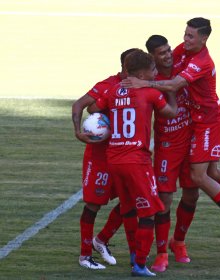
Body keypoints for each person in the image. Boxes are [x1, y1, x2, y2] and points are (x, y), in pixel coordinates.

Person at [122, 17, 220, 244]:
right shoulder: (182, 52)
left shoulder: (201, 61)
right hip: (199, 122)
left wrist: (144, 83)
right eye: (185, 34)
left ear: (203, 39)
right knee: (213, 172)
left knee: (198, 176)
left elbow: (175, 85)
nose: (184, 40)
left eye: (190, 36)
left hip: (207, 121)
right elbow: (162, 64)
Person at [89, 49, 178, 277]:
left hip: (114, 158)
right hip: (136, 161)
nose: (156, 73)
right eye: (152, 70)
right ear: (141, 73)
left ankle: (132, 256)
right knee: (148, 213)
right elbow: (171, 112)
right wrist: (172, 91)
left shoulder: (113, 90)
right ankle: (139, 264)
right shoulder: (149, 92)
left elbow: (93, 108)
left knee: (129, 208)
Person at [72, 48, 139, 270]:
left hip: (122, 155)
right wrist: (78, 132)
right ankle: (84, 256)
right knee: (93, 205)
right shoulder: (108, 85)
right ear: (124, 68)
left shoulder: (140, 84)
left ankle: (101, 239)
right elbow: (80, 105)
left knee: (132, 198)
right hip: (99, 157)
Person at [145, 35, 199, 272]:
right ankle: (161, 253)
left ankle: (178, 241)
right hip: (167, 146)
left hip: (190, 141)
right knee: (165, 199)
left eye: (168, 50)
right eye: (162, 53)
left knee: (192, 195)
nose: (168, 55)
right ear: (153, 57)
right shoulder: (150, 76)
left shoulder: (181, 62)